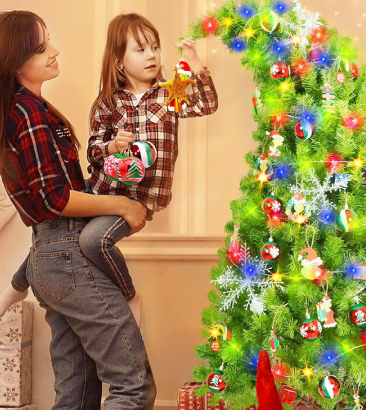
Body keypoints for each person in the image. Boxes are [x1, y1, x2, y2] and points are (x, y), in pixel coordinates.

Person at [1, 12, 218, 326]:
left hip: (140, 196)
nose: (152, 56)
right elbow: (93, 151)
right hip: (103, 188)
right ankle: (17, 286)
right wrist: (113, 147)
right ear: (119, 60)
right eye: (140, 49)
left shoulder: (169, 95)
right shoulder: (107, 103)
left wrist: (197, 67)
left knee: (91, 242)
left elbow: (206, 103)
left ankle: (129, 295)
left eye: (155, 48)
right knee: (53, 240)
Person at [0, 10, 156, 409]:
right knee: (132, 386)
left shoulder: (18, 111)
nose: (54, 51)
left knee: (76, 394)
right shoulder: (29, 112)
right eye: (40, 47)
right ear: (15, 60)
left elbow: (44, 207)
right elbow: (56, 199)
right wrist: (123, 203)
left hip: (46, 262)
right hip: (69, 258)